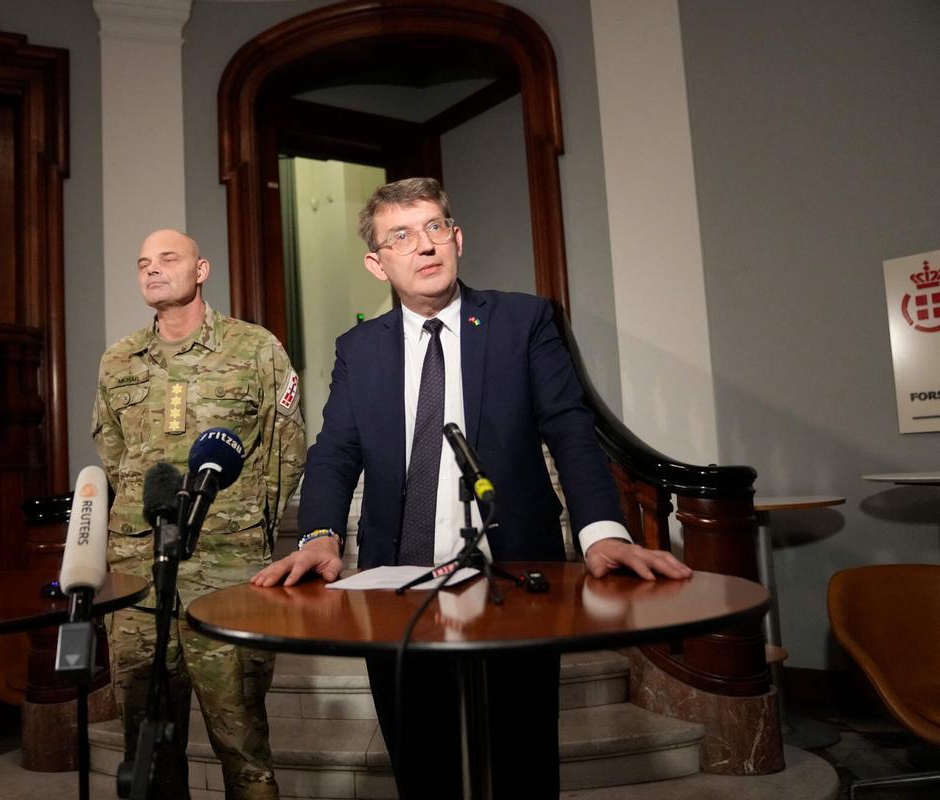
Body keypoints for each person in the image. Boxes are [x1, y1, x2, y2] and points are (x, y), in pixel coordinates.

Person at [251, 178, 691, 798]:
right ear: (378, 264)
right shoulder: (358, 348)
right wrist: (321, 533)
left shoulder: (524, 320)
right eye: (401, 236)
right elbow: (335, 451)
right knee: (421, 764)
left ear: (456, 240)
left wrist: (601, 529)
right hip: (394, 588)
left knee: (519, 761)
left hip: (512, 580)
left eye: (435, 228)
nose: (424, 246)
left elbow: (570, 429)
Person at [94, 229, 306, 799]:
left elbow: (285, 448)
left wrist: (246, 526)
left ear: (202, 268)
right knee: (147, 743)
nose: (153, 270)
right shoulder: (118, 361)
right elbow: (113, 454)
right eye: (143, 263)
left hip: (227, 569)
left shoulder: (255, 349)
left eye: (168, 258)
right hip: (138, 575)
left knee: (241, 741)